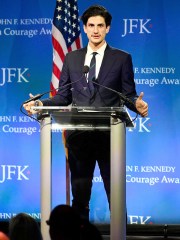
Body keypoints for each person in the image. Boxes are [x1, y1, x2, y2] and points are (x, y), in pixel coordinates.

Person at [23, 5, 148, 220]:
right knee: (79, 196)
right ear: (85, 28)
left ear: (108, 28)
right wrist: (41, 105)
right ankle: (78, 233)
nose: (96, 30)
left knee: (115, 194)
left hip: (110, 136)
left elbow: (129, 94)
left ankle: (121, 233)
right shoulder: (72, 58)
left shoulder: (121, 58)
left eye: (100, 25)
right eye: (91, 25)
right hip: (79, 136)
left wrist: (137, 105)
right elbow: (63, 96)